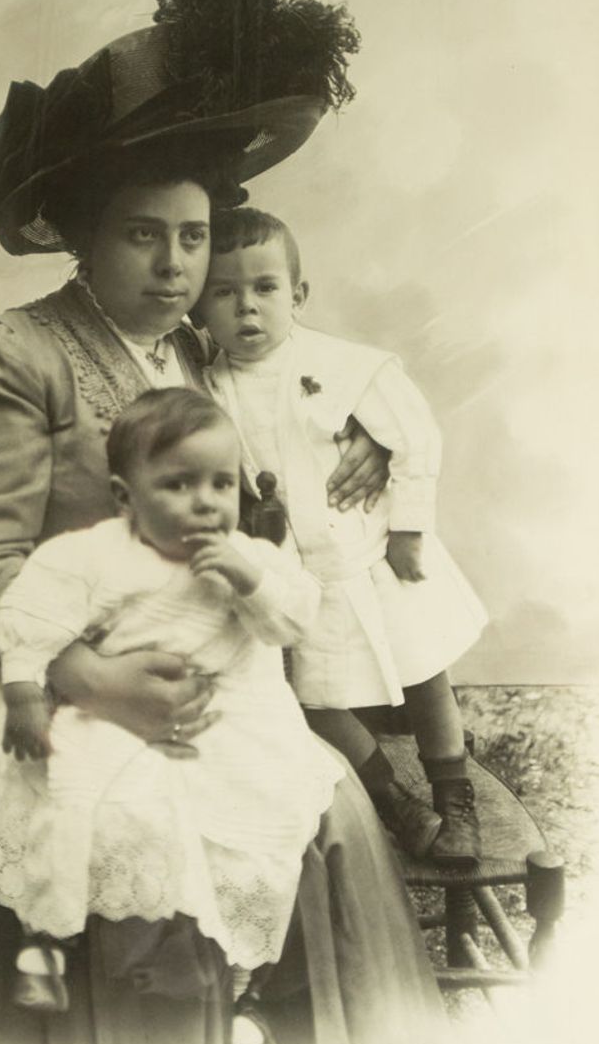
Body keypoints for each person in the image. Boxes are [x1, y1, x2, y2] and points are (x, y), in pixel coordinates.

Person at [0, 0, 444, 1044]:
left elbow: (281, 424)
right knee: (133, 827)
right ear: (79, 235)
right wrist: (94, 682)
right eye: (142, 236)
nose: (175, 266)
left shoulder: (193, 351)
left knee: (316, 810)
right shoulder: (7, 353)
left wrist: (363, 457)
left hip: (180, 647)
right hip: (22, 660)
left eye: (191, 239)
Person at [0, 387, 344, 1044]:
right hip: (116, 712)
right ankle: (47, 937)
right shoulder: (95, 555)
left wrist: (251, 582)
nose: (205, 502)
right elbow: (29, 617)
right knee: (84, 800)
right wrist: (25, 691)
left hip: (236, 723)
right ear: (126, 496)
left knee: (268, 833)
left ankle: (247, 995)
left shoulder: (247, 555)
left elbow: (294, 622)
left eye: (219, 483)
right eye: (177, 485)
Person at [199, 208, 488, 865]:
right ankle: (392, 802)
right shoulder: (208, 388)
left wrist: (409, 529)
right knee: (312, 696)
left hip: (372, 553)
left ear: (297, 295)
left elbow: (414, 436)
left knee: (424, 673)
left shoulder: (343, 366)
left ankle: (452, 794)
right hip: (296, 575)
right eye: (224, 292)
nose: (246, 307)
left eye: (264, 288)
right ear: (199, 306)